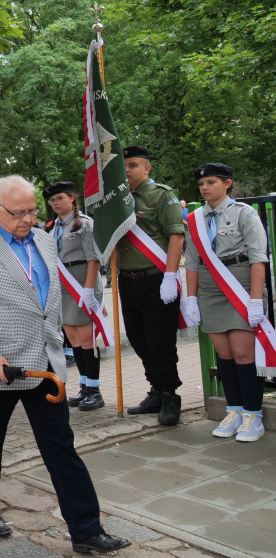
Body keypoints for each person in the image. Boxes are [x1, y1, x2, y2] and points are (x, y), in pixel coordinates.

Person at [0, 176, 129, 554]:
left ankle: (86, 530)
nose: (29, 219)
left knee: (62, 448)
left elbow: (46, 300)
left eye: (34, 210)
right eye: (20, 213)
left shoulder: (47, 240)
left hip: (45, 366)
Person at [184, 163, 270, 442]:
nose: (205, 188)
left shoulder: (245, 214)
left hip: (240, 284)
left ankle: (252, 415)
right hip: (210, 288)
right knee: (224, 354)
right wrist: (192, 298)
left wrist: (256, 300)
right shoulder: (195, 219)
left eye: (210, 182)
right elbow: (193, 264)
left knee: (244, 353)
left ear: (227, 183)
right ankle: (233, 410)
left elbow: (258, 258)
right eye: (201, 184)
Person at [115, 145, 185, 425]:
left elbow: (176, 237)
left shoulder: (162, 195)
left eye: (133, 165)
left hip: (156, 279)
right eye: (125, 166)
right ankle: (155, 388)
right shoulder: (116, 201)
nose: (128, 170)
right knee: (138, 340)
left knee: (159, 343)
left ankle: (169, 394)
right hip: (127, 281)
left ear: (147, 168)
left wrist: (170, 276)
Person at [43, 181, 106, 411]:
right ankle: (84, 386)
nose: (55, 203)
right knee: (74, 339)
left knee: (87, 339)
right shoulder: (51, 227)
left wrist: (89, 289)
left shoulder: (85, 224)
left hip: (82, 282)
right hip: (62, 286)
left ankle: (95, 390)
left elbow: (93, 258)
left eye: (59, 198)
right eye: (52, 200)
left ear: (71, 197)